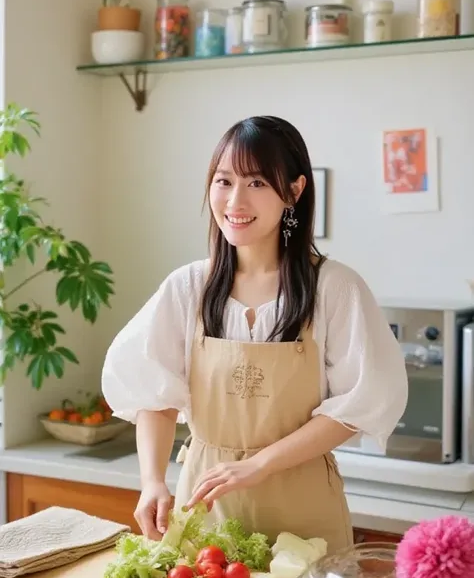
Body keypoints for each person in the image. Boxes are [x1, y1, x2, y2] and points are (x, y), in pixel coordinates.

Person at [102, 116, 408, 553]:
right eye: (224, 181)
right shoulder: (189, 287)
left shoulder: (335, 287)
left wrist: (260, 464)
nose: (235, 200)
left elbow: (357, 406)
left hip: (303, 511)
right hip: (205, 507)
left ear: (295, 191)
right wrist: (152, 481)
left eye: (258, 183)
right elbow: (155, 393)